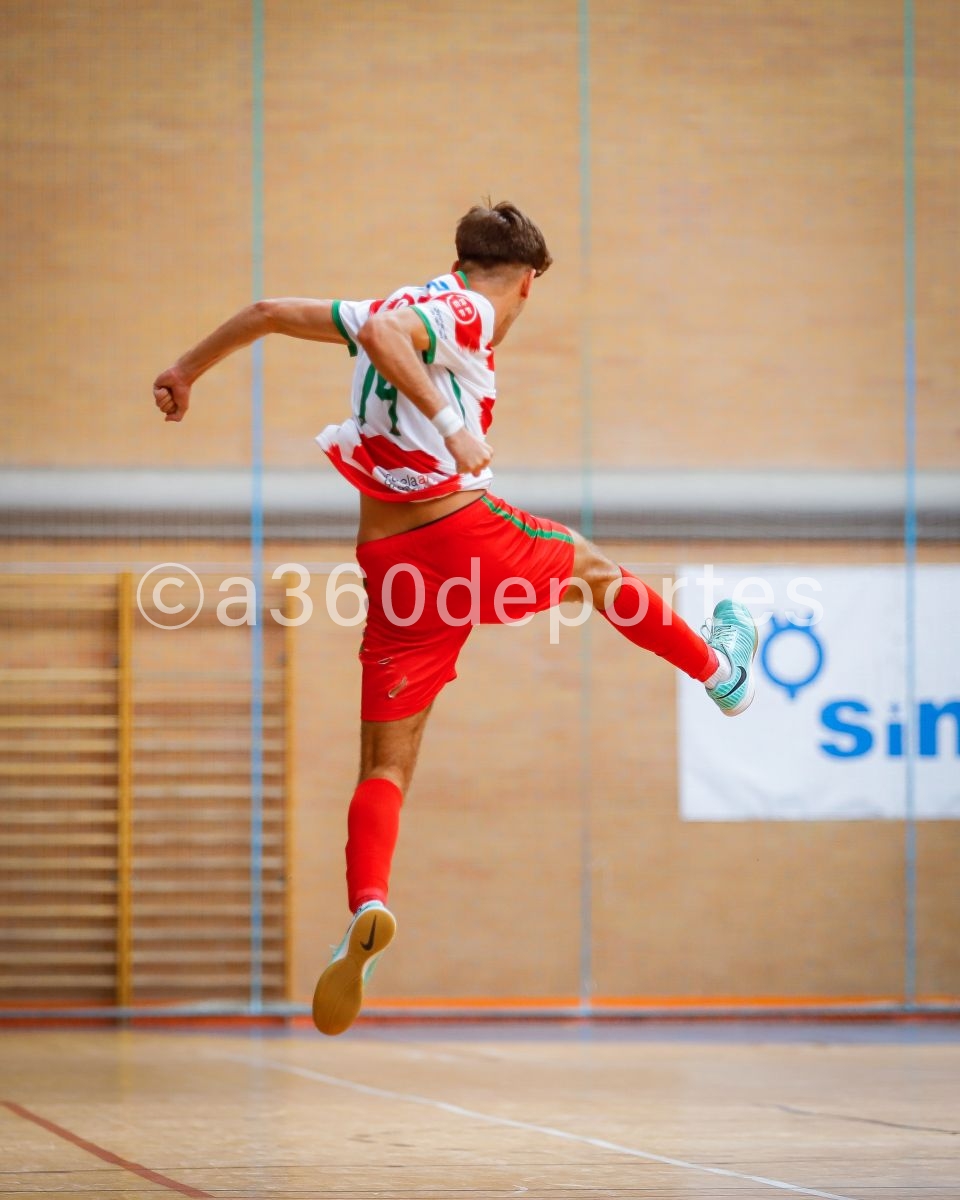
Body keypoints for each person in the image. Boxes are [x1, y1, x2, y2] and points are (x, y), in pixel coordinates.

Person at [153, 201, 758, 1036]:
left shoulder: (387, 303)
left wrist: (186, 370)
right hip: (458, 534)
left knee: (386, 764)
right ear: (527, 285)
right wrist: (451, 428)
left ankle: (368, 905)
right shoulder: (462, 308)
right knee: (594, 568)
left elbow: (267, 314)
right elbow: (392, 336)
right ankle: (722, 673)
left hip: (393, 569)